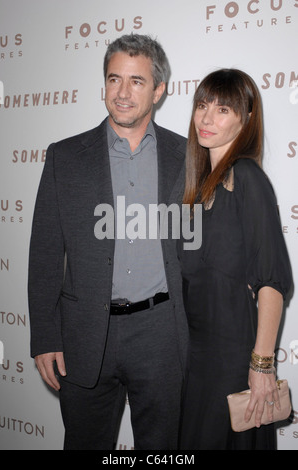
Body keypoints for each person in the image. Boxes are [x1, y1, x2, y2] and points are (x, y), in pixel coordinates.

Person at [28, 34, 189, 450]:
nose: (122, 92)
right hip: (83, 333)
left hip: (161, 332)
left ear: (158, 90)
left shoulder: (187, 156)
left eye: (136, 81)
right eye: (114, 79)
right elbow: (45, 253)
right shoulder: (64, 156)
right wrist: (45, 336)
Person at [178, 68, 292, 450]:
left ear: (246, 121)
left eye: (223, 109)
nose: (207, 118)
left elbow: (272, 282)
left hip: (234, 363)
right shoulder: (192, 192)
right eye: (202, 105)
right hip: (194, 363)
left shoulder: (248, 178)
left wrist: (261, 367)